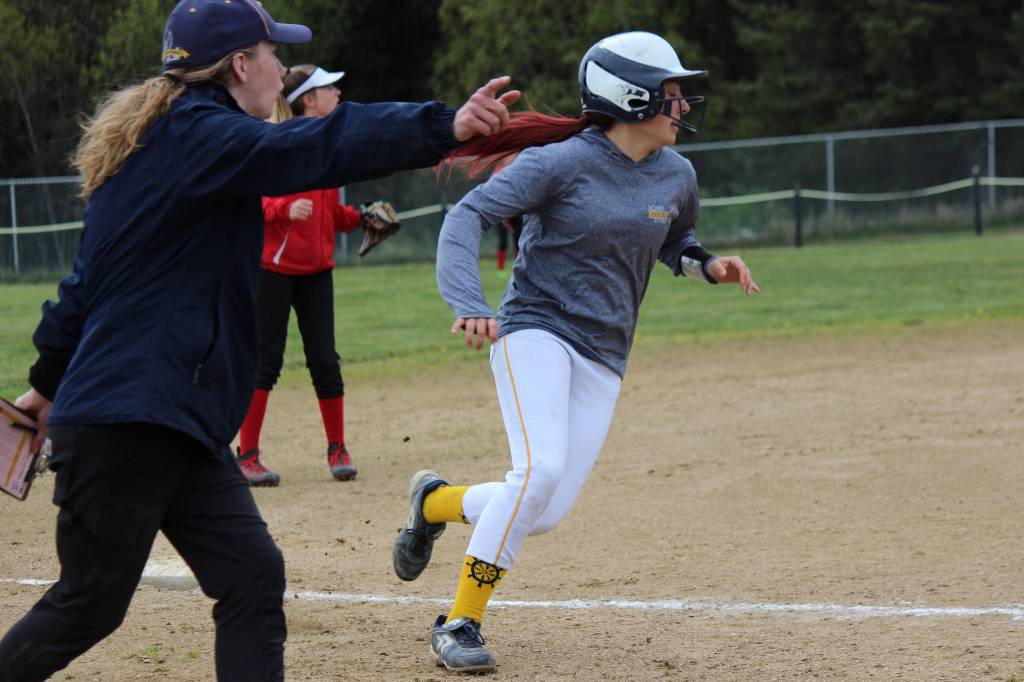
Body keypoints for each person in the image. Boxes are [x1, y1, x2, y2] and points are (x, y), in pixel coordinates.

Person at [0, 0, 518, 679]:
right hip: (131, 421)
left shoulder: (156, 145)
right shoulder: (199, 137)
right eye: (274, 55)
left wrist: (43, 386)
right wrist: (442, 125)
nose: (282, 71)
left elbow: (80, 290)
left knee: (249, 578)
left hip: (170, 418)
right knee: (89, 603)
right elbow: (313, 146)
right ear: (239, 64)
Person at [392, 32, 759, 674]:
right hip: (534, 329)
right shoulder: (560, 162)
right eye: (672, 95)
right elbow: (465, 216)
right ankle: (459, 623)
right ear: (630, 98)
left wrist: (709, 266)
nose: (683, 108)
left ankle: (435, 501)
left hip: (604, 352)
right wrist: (469, 302)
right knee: (537, 474)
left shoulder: (677, 173)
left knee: (545, 509)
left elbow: (679, 239)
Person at [236, 64, 383, 486]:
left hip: (317, 270)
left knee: (325, 359)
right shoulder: (278, 143)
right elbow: (252, 202)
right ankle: (247, 454)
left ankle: (337, 447)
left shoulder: (326, 148)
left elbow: (328, 214)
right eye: (327, 89)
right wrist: (283, 209)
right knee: (266, 361)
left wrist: (360, 218)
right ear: (307, 100)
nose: (336, 95)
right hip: (275, 270)